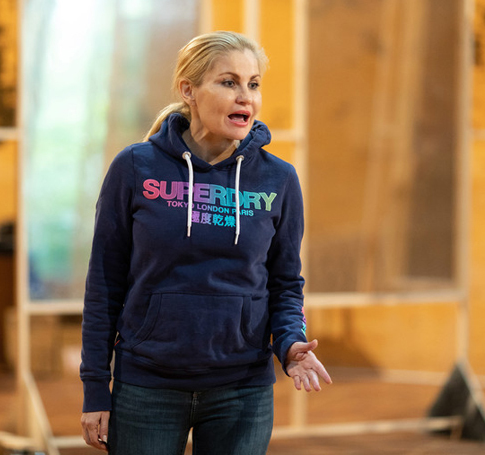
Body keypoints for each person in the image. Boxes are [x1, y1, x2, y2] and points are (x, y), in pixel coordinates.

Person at [80, 30, 331, 455]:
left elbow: (285, 283)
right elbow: (104, 283)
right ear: (188, 90)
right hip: (147, 386)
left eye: (253, 84)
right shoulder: (135, 167)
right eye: (229, 82)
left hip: (242, 391)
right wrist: (94, 388)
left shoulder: (279, 179)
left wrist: (290, 345)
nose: (244, 97)